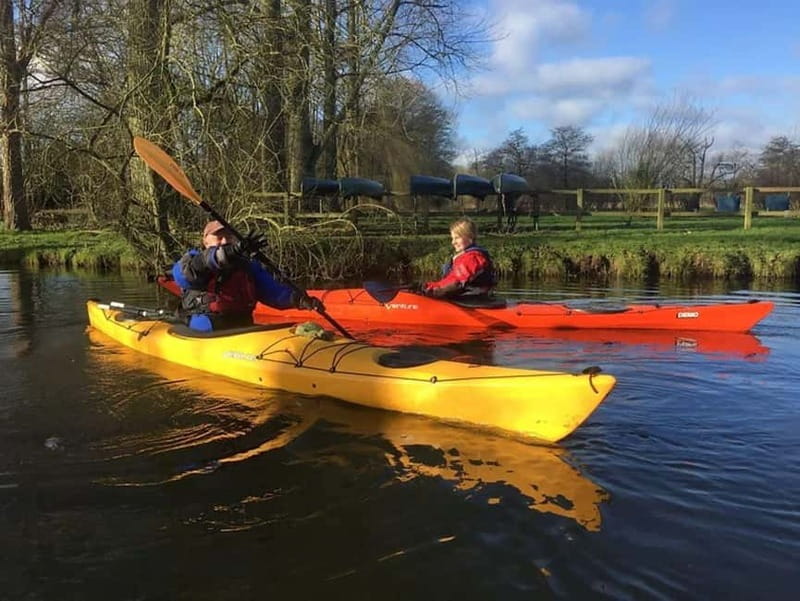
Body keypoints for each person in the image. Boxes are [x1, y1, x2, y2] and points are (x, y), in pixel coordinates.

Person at [172, 220, 324, 331]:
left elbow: (273, 292)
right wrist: (226, 254)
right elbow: (184, 276)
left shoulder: (247, 266)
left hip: (243, 326)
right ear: (205, 241)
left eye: (228, 236)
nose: (224, 240)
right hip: (207, 328)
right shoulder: (192, 261)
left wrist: (299, 299)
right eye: (218, 237)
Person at [416, 217, 496, 298]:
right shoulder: (466, 256)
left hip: (472, 299)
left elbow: (456, 283)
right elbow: (451, 280)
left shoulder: (472, 258)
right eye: (452, 238)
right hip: (467, 297)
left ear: (470, 237)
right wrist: (426, 285)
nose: (453, 242)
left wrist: (432, 290)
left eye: (457, 238)